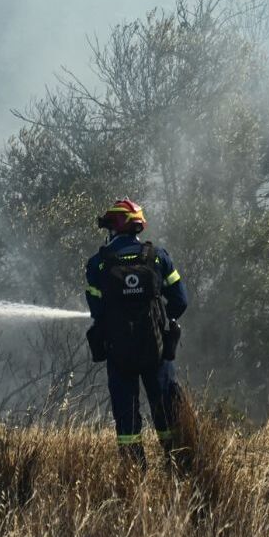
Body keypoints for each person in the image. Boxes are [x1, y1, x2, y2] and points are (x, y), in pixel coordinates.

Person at [84, 198, 188, 471]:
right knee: (166, 408)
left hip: (119, 353)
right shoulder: (158, 257)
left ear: (114, 227)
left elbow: (96, 309)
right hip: (156, 350)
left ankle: (134, 471)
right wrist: (163, 320)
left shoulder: (98, 264)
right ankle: (177, 464)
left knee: (126, 416)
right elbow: (180, 301)